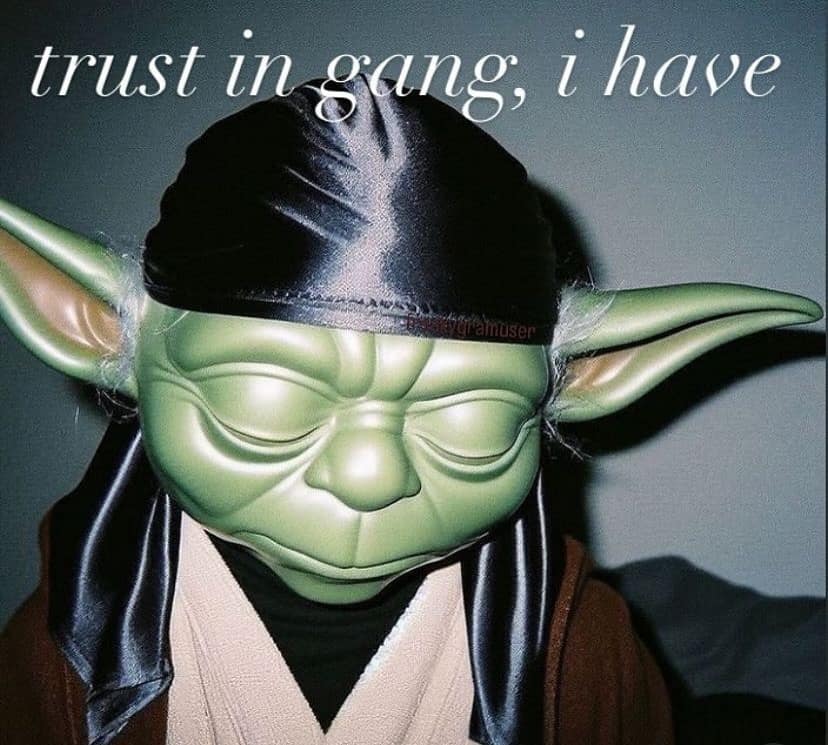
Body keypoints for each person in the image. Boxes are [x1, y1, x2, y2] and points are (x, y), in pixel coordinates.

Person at [0, 76, 821, 745]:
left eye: (472, 422)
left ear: (576, 383)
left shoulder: (581, 653)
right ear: (95, 327)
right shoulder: (56, 664)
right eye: (264, 401)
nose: (371, 478)